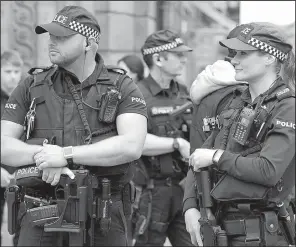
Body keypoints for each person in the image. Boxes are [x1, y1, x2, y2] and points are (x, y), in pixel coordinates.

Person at [1, 5, 147, 247]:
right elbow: (3, 144)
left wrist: (66, 155)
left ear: (88, 43)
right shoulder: (31, 85)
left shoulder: (121, 86)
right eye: (51, 35)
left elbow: (132, 145)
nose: (51, 42)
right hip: (41, 213)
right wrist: (45, 157)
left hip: (102, 215)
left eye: (62, 37)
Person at [186, 22, 295, 246]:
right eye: (233, 53)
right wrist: (189, 208)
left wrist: (217, 157)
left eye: (243, 54)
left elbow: (268, 170)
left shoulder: (287, 107)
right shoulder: (238, 103)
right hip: (223, 229)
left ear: (269, 58)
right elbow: (197, 158)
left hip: (262, 232)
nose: (233, 59)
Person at [132, 29, 194, 246]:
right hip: (151, 192)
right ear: (158, 59)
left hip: (185, 188)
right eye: (178, 55)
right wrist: (177, 144)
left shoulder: (185, 93)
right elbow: (134, 141)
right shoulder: (136, 94)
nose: (184, 60)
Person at [1, 49, 25, 247]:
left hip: (21, 175)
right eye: (8, 71)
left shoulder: (25, 98)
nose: (13, 76)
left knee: (22, 229)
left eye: (16, 72)